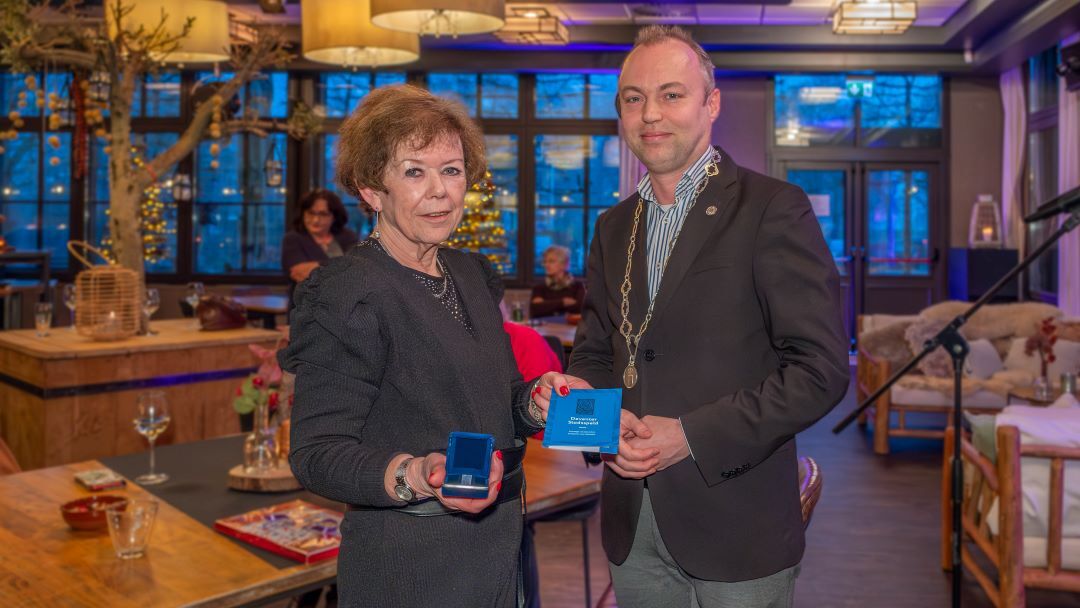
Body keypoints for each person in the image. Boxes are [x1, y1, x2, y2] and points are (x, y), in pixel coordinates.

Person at [566, 25, 850, 608]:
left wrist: (690, 436)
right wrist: (594, 422)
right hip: (630, 522)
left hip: (737, 523)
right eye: (633, 97)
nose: (651, 114)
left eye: (672, 94)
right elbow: (597, 352)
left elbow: (820, 370)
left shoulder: (774, 209)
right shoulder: (613, 226)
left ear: (711, 103)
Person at [279, 84, 581, 608]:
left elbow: (496, 402)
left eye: (452, 169)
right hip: (409, 564)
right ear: (372, 190)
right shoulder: (349, 293)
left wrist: (536, 399)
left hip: (499, 547)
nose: (440, 190)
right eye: (415, 171)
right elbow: (316, 454)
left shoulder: (468, 274)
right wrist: (415, 473)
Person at [280, 189, 358, 305]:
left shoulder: (347, 237)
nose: (315, 220)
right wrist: (342, 266)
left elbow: (357, 272)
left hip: (346, 308)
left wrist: (316, 266)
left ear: (334, 216)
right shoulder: (292, 239)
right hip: (306, 310)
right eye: (311, 213)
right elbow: (300, 274)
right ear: (303, 213)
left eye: (323, 214)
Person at [530, 245, 585, 318]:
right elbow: (535, 310)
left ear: (564, 265)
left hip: (569, 327)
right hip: (545, 327)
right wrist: (563, 302)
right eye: (545, 262)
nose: (546, 265)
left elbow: (580, 310)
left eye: (551, 261)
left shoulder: (577, 286)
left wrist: (546, 305)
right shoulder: (539, 288)